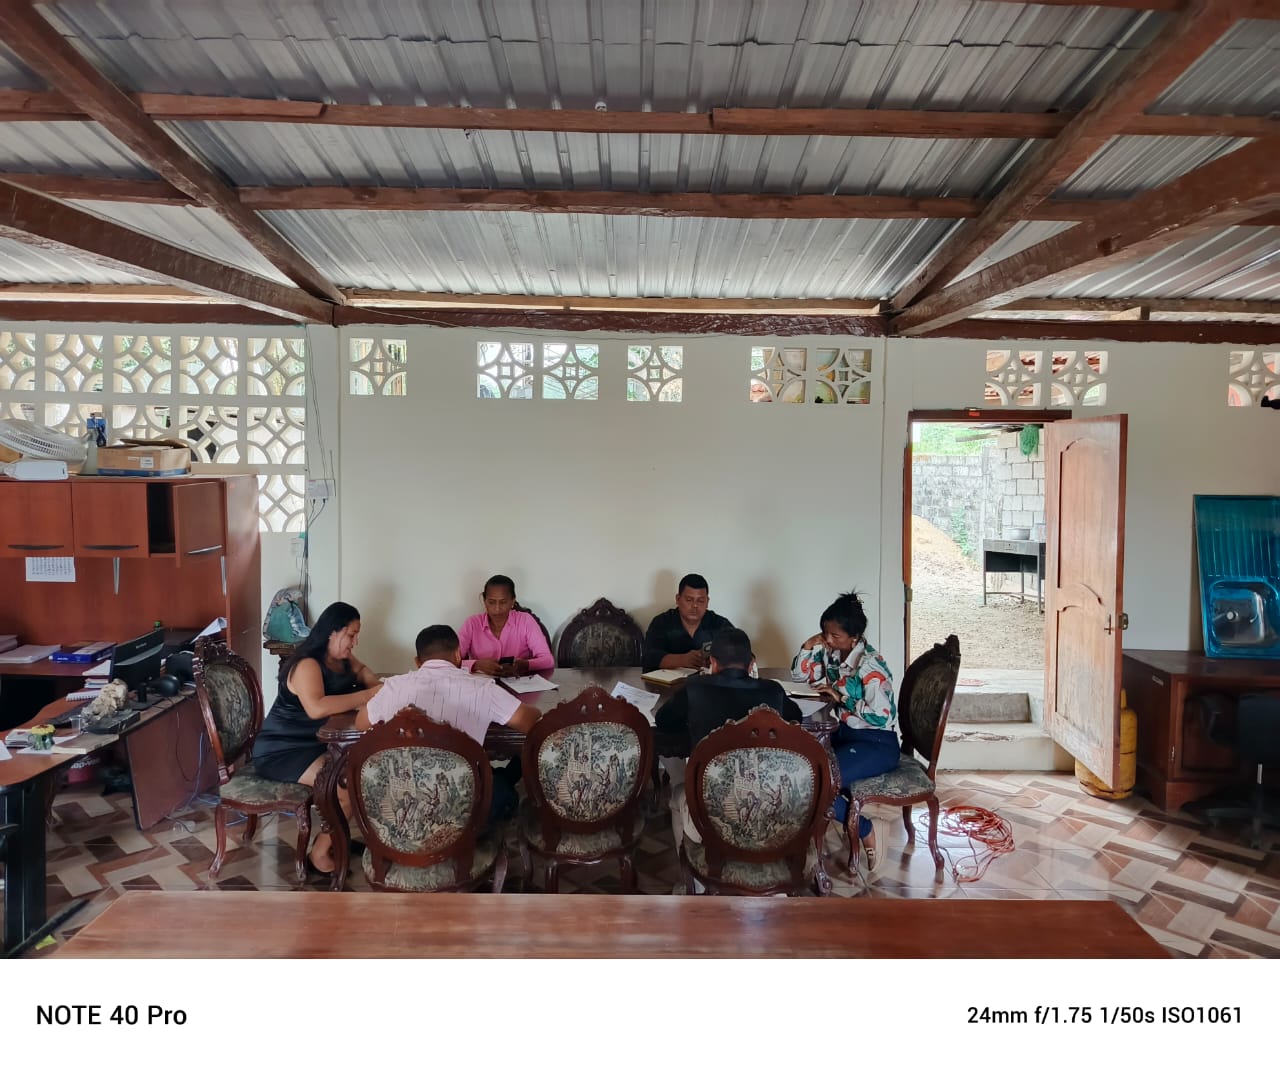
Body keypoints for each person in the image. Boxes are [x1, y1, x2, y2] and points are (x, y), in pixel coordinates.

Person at [356, 624, 541, 829]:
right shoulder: (482, 688)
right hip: (465, 809)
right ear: (458, 655)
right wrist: (535, 710)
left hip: (403, 804)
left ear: (417, 661)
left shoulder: (393, 687)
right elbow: (529, 722)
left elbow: (361, 723)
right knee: (504, 788)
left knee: (495, 779)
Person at [252, 600, 382, 874]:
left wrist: (373, 684)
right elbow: (317, 708)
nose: (355, 642)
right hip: (282, 750)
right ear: (332, 632)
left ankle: (337, 838)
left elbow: (361, 671)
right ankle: (320, 854)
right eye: (351, 635)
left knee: (360, 775)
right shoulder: (307, 664)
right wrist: (367, 695)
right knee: (346, 787)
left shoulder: (340, 657)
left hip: (316, 743)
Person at [656, 628, 803, 856]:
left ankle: (690, 871)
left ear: (713, 663)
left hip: (707, 810)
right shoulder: (772, 691)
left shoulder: (695, 688)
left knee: (678, 792)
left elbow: (663, 721)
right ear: (751, 664)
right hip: (767, 806)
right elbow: (796, 719)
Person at [791, 591, 898, 871]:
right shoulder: (833, 653)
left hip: (876, 743)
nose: (828, 640)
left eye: (834, 635)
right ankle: (806, 838)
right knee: (801, 769)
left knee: (818, 783)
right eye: (824, 633)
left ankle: (867, 829)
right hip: (844, 734)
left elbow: (881, 715)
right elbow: (799, 675)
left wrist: (841, 697)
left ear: (855, 637)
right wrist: (809, 644)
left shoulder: (871, 665)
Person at [457, 574, 555, 678]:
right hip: (481, 684)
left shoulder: (525, 621)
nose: (497, 608)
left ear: (512, 601)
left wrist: (526, 665)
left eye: (503, 602)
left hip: (518, 683)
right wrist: (476, 665)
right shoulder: (472, 624)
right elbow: (451, 661)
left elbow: (548, 660)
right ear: (485, 601)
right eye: (491, 602)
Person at [643, 573, 734, 672]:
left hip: (708, 680)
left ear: (707, 602)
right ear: (678, 599)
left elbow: (740, 653)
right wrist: (683, 660)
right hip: (669, 681)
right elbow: (649, 658)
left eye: (700, 601)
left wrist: (716, 661)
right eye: (689, 600)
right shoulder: (662, 622)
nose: (695, 605)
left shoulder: (719, 624)